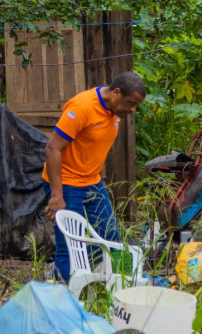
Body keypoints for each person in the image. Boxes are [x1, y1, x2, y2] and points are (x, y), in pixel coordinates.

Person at [42, 71, 146, 282]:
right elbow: (52, 148)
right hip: (67, 184)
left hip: (93, 183)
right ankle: (66, 294)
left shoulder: (115, 112)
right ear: (116, 93)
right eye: (131, 103)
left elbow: (99, 148)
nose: (133, 109)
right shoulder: (82, 108)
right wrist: (56, 196)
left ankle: (106, 283)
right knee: (70, 244)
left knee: (110, 236)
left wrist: (103, 181)